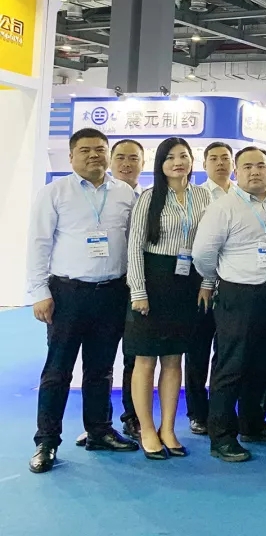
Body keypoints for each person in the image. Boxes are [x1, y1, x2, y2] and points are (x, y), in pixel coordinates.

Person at [27, 129, 140, 474]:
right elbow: (39, 243)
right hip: (67, 294)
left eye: (100, 149)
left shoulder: (125, 193)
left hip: (112, 292)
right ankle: (47, 441)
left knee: (101, 369)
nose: (94, 155)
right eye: (85, 150)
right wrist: (40, 292)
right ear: (71, 156)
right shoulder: (55, 192)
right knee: (57, 370)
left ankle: (99, 430)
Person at [192, 146, 266, 462]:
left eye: (260, 165)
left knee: (262, 364)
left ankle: (252, 423)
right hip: (238, 295)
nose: (254, 171)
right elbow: (203, 255)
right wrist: (217, 278)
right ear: (237, 171)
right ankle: (221, 436)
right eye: (247, 166)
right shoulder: (224, 207)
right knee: (231, 366)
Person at [126, 137, 214, 460]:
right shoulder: (149, 197)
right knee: (146, 359)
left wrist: (207, 282)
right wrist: (138, 291)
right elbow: (135, 246)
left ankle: (168, 428)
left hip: (187, 281)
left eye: (184, 156)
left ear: (192, 160)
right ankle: (147, 429)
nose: (178, 162)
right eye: (170, 157)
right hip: (153, 280)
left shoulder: (203, 196)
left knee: (174, 358)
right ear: (160, 163)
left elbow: (209, 243)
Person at [74, 138, 145, 449]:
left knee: (133, 355)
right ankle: (97, 426)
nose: (126, 164)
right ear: (111, 161)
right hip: (98, 287)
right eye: (121, 157)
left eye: (133, 158)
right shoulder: (94, 195)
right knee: (98, 362)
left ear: (143, 163)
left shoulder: (146, 198)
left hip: (134, 288)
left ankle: (133, 418)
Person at [185, 141, 234, 437]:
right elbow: (198, 246)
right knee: (198, 350)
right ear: (204, 164)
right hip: (201, 284)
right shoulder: (197, 196)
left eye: (225, 158)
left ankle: (220, 410)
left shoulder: (241, 194)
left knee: (226, 351)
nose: (220, 163)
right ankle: (197, 412)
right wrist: (207, 281)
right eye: (213, 158)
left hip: (233, 286)